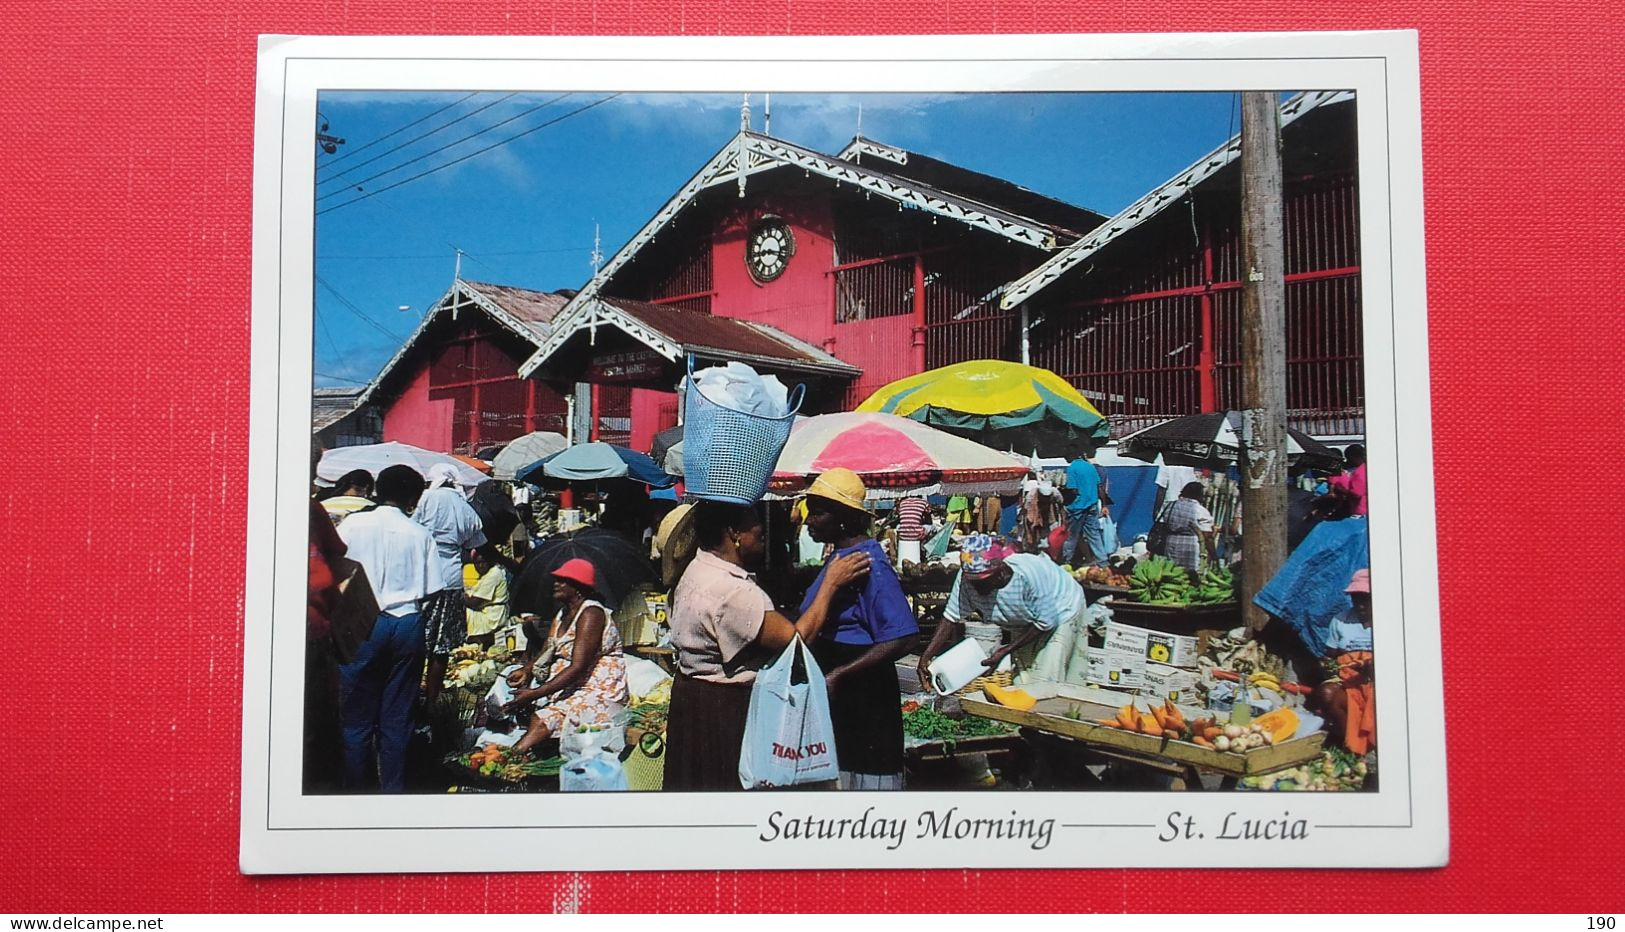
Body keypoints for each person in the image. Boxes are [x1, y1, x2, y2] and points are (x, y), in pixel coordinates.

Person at [664, 501, 871, 791]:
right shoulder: (733, 591)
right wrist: (831, 584)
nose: (761, 528)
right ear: (734, 533)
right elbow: (797, 640)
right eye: (752, 522)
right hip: (724, 710)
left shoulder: (698, 568)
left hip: (694, 699)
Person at [798, 469, 920, 790]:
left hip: (862, 691)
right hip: (839, 685)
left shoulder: (868, 565)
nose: (809, 520)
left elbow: (903, 637)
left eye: (818, 513)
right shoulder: (841, 559)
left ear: (842, 518)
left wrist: (842, 674)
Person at [333, 464, 437, 792]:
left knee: (356, 716)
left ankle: (356, 788)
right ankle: (392, 789)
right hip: (406, 622)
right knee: (398, 716)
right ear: (413, 498)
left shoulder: (353, 524)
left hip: (362, 621)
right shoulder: (419, 533)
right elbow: (433, 587)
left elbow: (335, 569)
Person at [916, 536, 1088, 688]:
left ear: (1000, 572)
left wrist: (1006, 650)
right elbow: (951, 616)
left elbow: (1046, 622)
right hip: (1025, 619)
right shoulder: (967, 576)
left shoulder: (1028, 575)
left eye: (982, 582)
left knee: (1046, 677)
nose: (976, 587)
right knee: (1022, 678)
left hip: (1062, 609)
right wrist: (926, 656)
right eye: (972, 582)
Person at [501, 559, 628, 755]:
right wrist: (527, 670)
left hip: (597, 686)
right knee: (526, 703)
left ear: (578, 587)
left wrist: (535, 693)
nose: (556, 583)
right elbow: (549, 648)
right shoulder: (563, 613)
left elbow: (578, 666)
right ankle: (521, 752)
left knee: (546, 718)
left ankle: (513, 756)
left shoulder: (591, 614)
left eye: (563, 580)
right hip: (572, 683)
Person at [412, 463, 488, 705]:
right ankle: (432, 699)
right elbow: (476, 541)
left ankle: (411, 693)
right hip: (452, 578)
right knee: (441, 645)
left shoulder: (426, 499)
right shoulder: (464, 506)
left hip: (422, 575)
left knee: (416, 639)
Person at [1310, 568, 1376, 756]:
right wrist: (1326, 665)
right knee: (1327, 693)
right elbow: (1330, 656)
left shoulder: (1392, 619)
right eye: (1356, 598)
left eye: (1365, 598)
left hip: (1380, 683)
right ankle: (1351, 745)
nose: (1360, 605)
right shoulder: (1341, 621)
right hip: (1349, 681)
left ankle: (1377, 745)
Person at [1160, 480, 1217, 575]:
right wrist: (1214, 555)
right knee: (1191, 575)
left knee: (1171, 574)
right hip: (1191, 547)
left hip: (1170, 543)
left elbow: (1164, 524)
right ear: (1198, 495)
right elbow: (1207, 536)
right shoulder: (1200, 510)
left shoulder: (1170, 505)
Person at [1063, 453, 1109, 567]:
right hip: (1092, 505)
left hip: (1078, 507)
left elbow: (1072, 490)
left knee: (1071, 536)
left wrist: (1064, 500)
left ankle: (1066, 561)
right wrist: (1104, 505)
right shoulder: (1090, 467)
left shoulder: (1072, 468)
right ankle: (1103, 562)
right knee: (1094, 534)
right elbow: (1100, 487)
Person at [463, 548, 510, 648]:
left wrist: (458, 596)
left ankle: (473, 638)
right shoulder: (486, 575)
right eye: (477, 563)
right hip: (487, 611)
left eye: (483, 562)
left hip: (492, 615)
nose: (480, 566)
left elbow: (474, 602)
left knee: (463, 611)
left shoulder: (493, 574)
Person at [1325, 444, 1368, 517]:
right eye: (1361, 456)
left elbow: (1357, 493)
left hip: (1359, 506)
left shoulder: (1365, 469)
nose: (1364, 458)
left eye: (1363, 455)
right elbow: (1332, 483)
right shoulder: (1341, 469)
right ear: (1351, 457)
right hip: (1344, 503)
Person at [893, 496, 931, 567]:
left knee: (898, 527)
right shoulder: (924, 502)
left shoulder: (902, 503)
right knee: (931, 528)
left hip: (903, 535)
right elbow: (928, 518)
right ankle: (925, 553)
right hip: (916, 535)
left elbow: (900, 517)